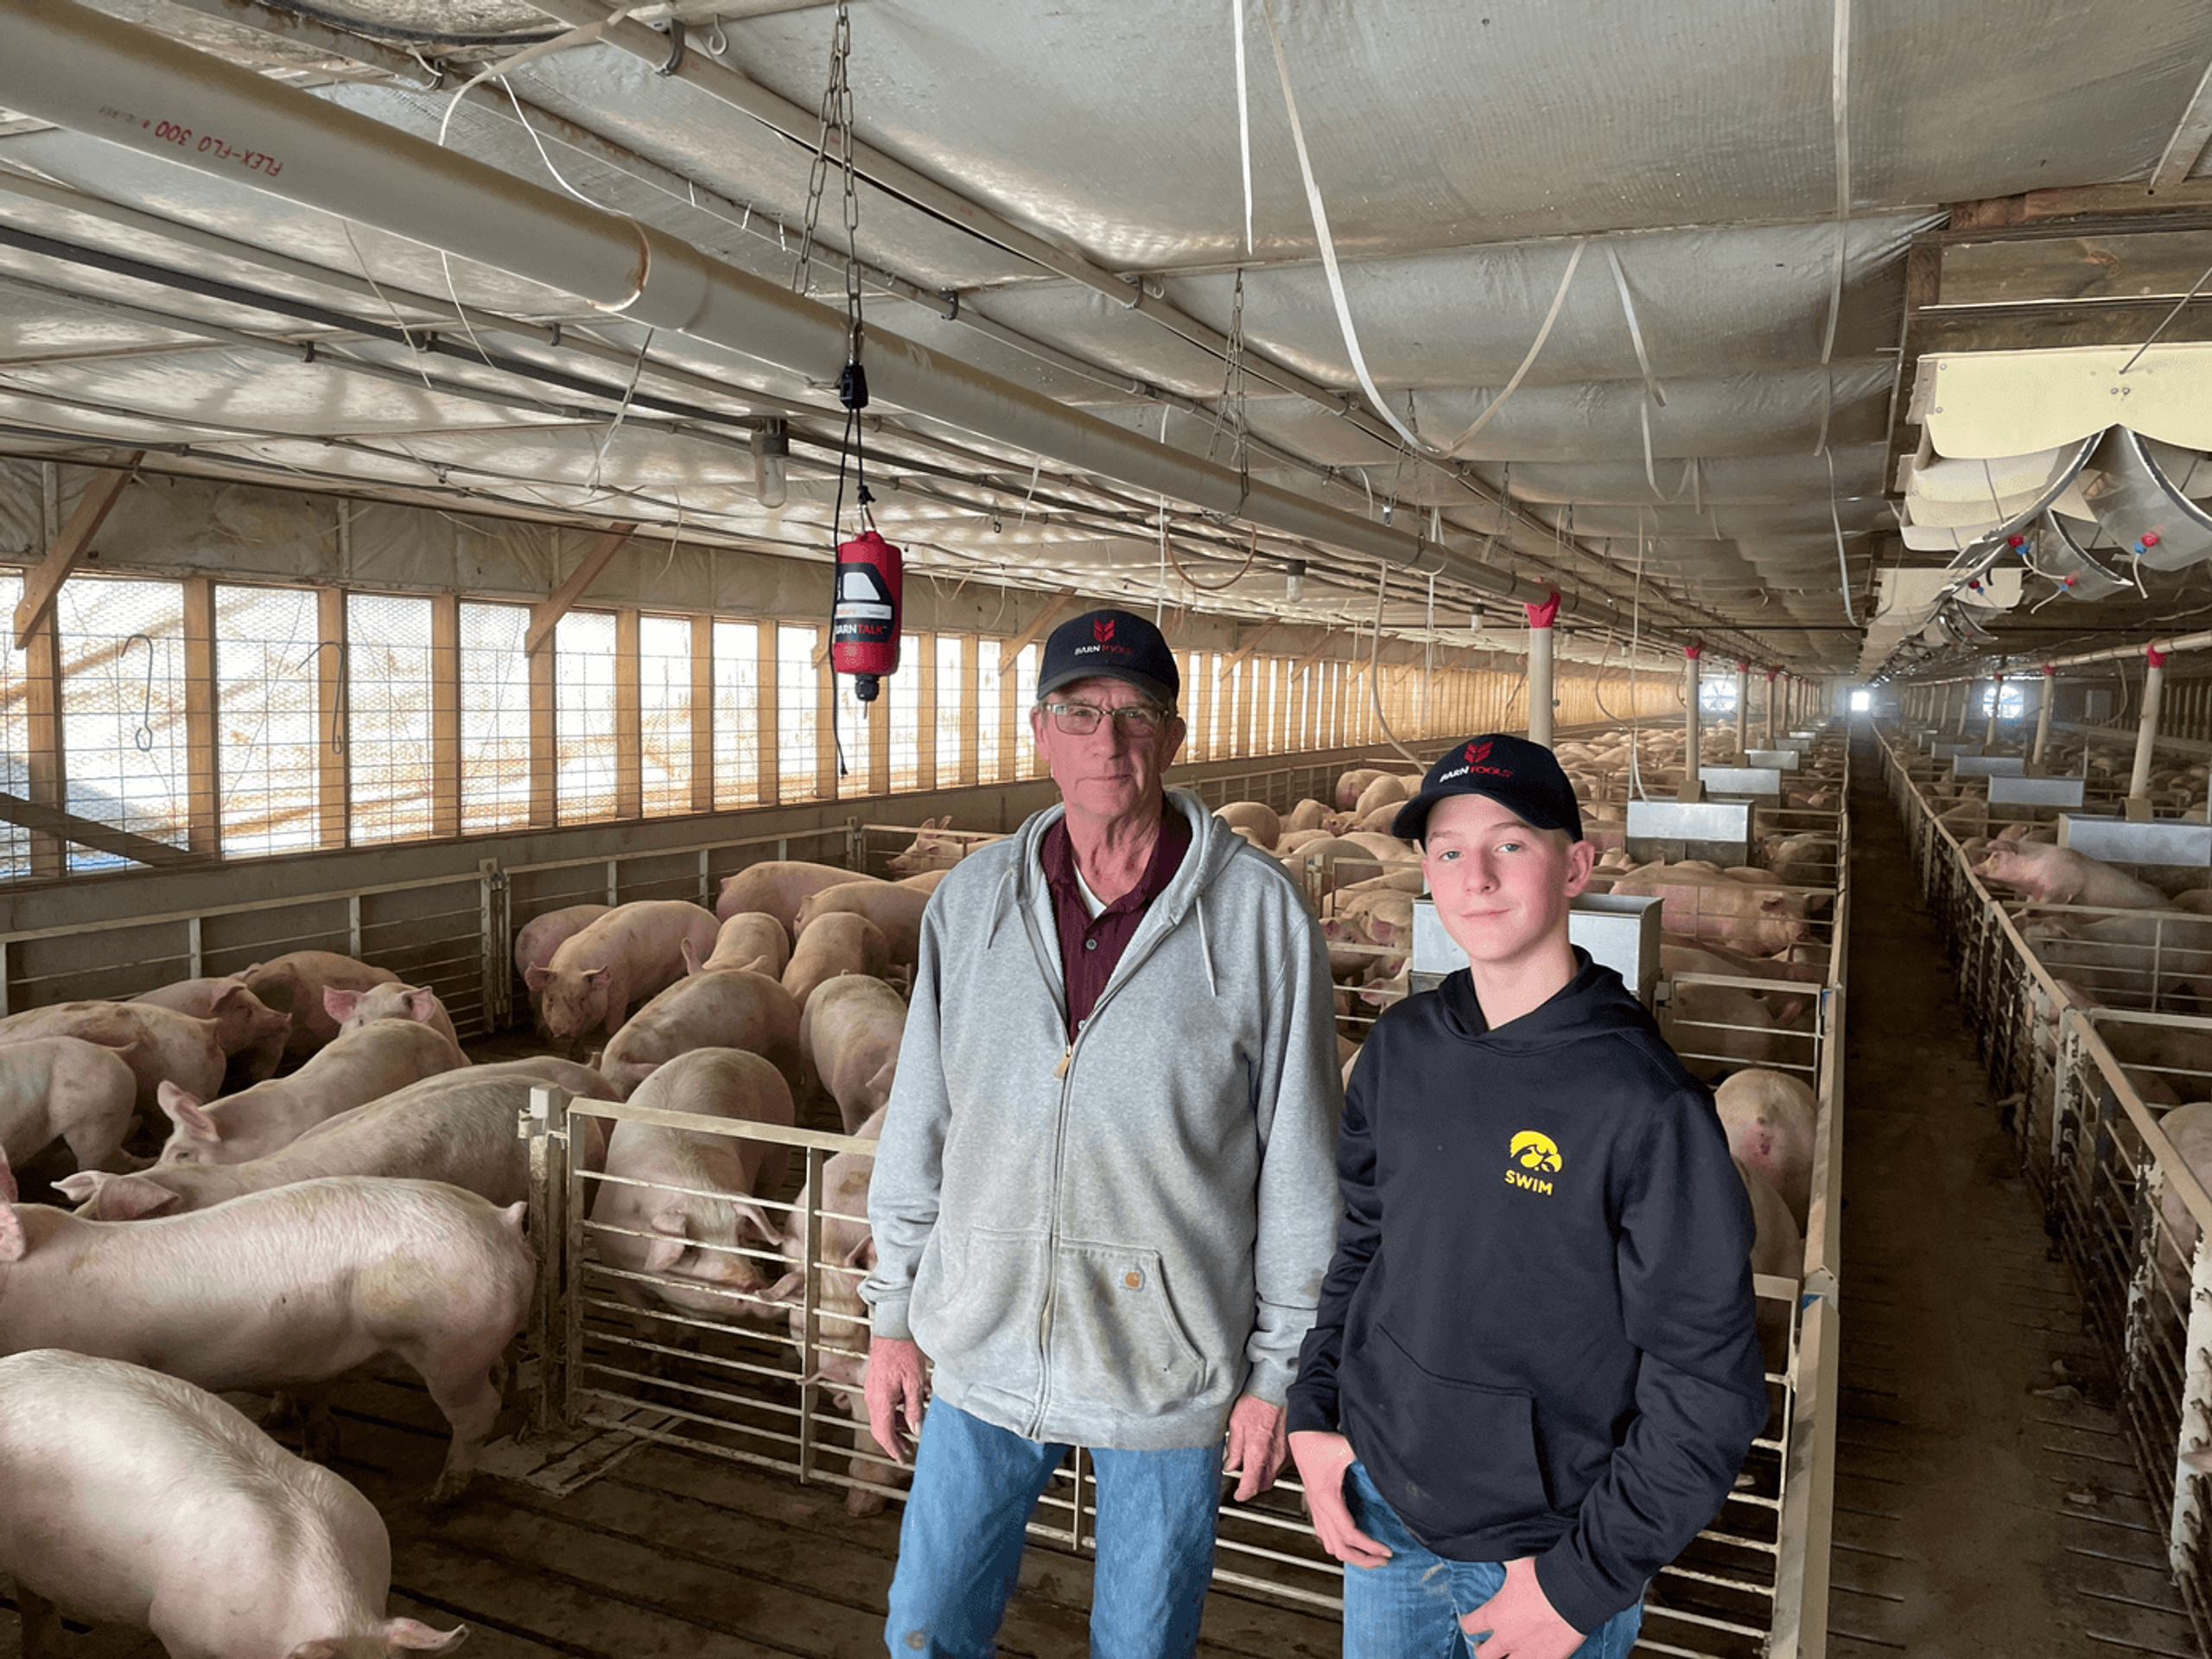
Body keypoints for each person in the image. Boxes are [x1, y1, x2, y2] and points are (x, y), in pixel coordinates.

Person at [861, 606, 1342, 1659]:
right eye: (1079, 712)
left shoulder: (1262, 915)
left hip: (1168, 1361)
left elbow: (1302, 1159)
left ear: (1173, 736)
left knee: (1140, 1646)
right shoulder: (971, 899)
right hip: (980, 1340)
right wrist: (893, 1312)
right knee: (925, 1632)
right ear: (1039, 731)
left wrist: (1277, 1372)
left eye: (1135, 714)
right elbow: (922, 1117)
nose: (1107, 741)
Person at [1285, 733, 1767, 1659]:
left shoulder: (1644, 1103)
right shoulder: (1400, 1047)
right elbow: (1364, 1246)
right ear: (1426, 870)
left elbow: (1707, 1381)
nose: (1477, 875)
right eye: (1449, 850)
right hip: (1381, 1510)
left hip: (1543, 1553)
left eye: (1511, 843)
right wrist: (1316, 1415)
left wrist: (1583, 1581)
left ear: (1576, 865)